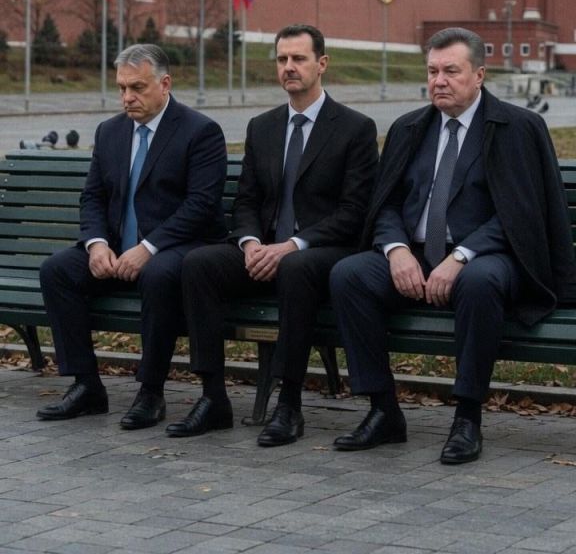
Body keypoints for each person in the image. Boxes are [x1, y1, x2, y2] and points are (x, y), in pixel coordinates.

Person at [330, 27, 576, 465]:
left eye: (451, 71)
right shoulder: (409, 128)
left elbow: (519, 214)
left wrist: (460, 256)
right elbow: (385, 204)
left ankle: (467, 418)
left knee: (479, 283)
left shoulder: (517, 128)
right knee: (349, 275)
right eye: (432, 71)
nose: (439, 81)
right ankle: (383, 410)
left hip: (490, 257)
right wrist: (395, 250)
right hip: (415, 256)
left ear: (479, 75)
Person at [166, 24, 379, 446]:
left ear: (322, 63)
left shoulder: (355, 128)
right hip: (263, 249)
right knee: (199, 264)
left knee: (296, 268)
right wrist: (250, 243)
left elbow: (354, 213)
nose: (289, 67)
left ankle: (289, 405)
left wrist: (291, 245)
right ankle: (213, 397)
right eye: (282, 59)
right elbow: (246, 201)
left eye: (298, 58)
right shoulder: (262, 127)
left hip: (322, 251)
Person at [37, 44, 227, 429]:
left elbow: (201, 206)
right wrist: (96, 244)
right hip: (117, 252)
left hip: (177, 248)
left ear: (165, 84)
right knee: (57, 270)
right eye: (122, 88)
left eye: (137, 87)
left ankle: (151, 392)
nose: (127, 97)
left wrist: (148, 248)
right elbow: (93, 196)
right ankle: (87, 385)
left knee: (157, 275)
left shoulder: (200, 131)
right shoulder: (110, 132)